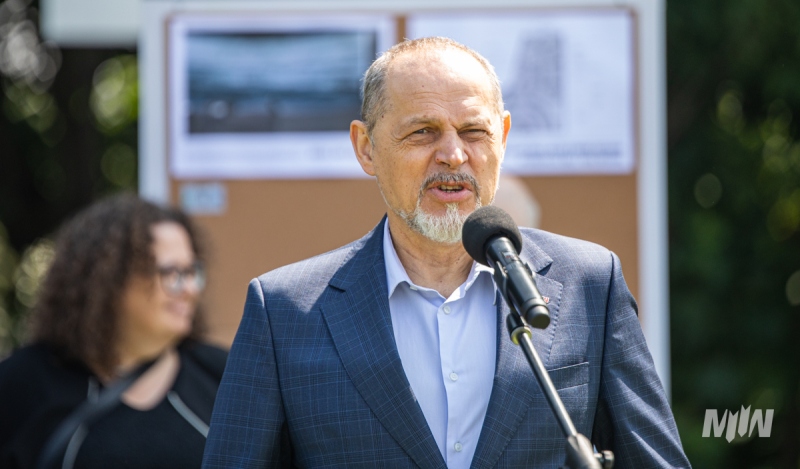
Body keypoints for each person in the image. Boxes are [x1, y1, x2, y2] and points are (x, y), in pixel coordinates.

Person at [202, 37, 690, 468]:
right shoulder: (285, 311)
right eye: (423, 132)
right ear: (366, 147)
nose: (453, 154)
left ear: (502, 136)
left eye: (474, 131)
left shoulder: (589, 284)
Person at [0, 193, 228, 469]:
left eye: (192, 272)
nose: (190, 289)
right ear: (110, 279)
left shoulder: (223, 376)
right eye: (171, 273)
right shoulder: (24, 382)